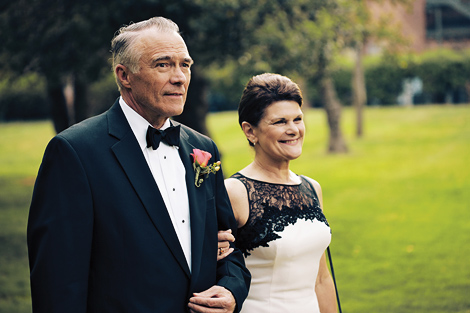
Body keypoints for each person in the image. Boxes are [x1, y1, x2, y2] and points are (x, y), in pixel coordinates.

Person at [27, 16, 250, 313]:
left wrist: (231, 288)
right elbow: (58, 281)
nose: (180, 77)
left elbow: (227, 247)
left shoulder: (202, 148)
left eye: (185, 64)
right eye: (163, 64)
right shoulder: (74, 152)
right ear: (124, 75)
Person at [223, 73, 338, 313]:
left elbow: (321, 279)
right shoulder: (235, 192)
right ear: (250, 131)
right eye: (280, 122)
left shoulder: (312, 188)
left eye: (298, 119)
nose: (294, 130)